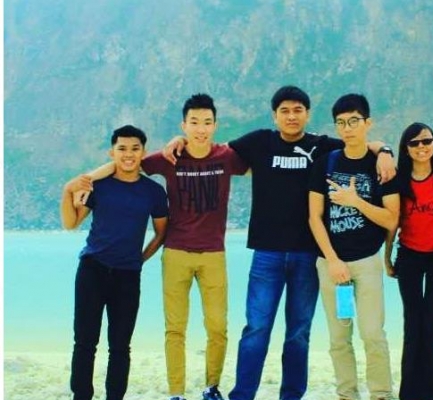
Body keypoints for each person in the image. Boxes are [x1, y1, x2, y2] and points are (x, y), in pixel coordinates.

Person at [163, 85, 396, 400]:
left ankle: (291, 395)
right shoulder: (259, 141)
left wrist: (385, 151)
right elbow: (213, 150)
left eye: (298, 110)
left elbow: (360, 142)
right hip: (267, 254)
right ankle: (242, 395)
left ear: (307, 114)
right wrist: (180, 140)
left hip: (307, 254)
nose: (291, 116)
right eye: (284, 111)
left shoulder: (321, 147)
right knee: (256, 328)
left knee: (298, 332)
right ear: (275, 116)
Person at [84, 94, 249, 400]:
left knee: (217, 327)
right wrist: (84, 180)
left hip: (214, 253)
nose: (201, 128)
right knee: (175, 328)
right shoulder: (168, 157)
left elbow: (262, 166)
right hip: (175, 252)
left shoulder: (227, 157)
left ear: (215, 125)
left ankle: (211, 387)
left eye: (207, 122)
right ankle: (176, 393)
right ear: (184, 125)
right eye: (194, 122)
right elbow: (127, 163)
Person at [60, 125, 168, 400]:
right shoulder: (99, 186)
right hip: (92, 270)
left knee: (120, 346)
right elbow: (71, 222)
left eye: (134, 148)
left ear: (143, 152)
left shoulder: (154, 192)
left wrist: (139, 259)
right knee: (84, 342)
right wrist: (67, 190)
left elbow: (161, 233)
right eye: (122, 148)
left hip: (128, 276)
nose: (128, 154)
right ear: (112, 153)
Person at [308, 93, 400, 400]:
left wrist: (356, 201)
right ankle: (347, 394)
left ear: (367, 123)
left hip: (367, 262)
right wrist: (332, 260)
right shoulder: (325, 164)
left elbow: (391, 219)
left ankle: (381, 394)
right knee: (339, 337)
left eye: (354, 121)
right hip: (332, 265)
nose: (347, 128)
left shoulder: (381, 167)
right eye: (341, 123)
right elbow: (314, 217)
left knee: (373, 334)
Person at [383, 122, 433, 400]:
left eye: (427, 141)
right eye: (414, 143)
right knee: (412, 322)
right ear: (406, 148)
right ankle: (411, 392)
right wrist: (387, 257)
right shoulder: (399, 180)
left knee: (432, 322)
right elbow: (392, 223)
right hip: (410, 256)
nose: (421, 147)